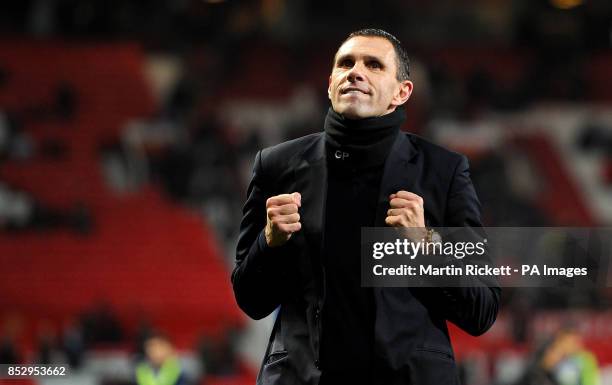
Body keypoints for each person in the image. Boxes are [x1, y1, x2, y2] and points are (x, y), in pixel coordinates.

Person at [232, 28, 501, 385]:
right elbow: (251, 300)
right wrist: (269, 241)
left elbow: (481, 310)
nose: (355, 71)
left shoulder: (443, 171)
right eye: (346, 63)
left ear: (401, 92)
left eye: (373, 65)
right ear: (330, 85)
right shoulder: (276, 165)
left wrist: (425, 244)